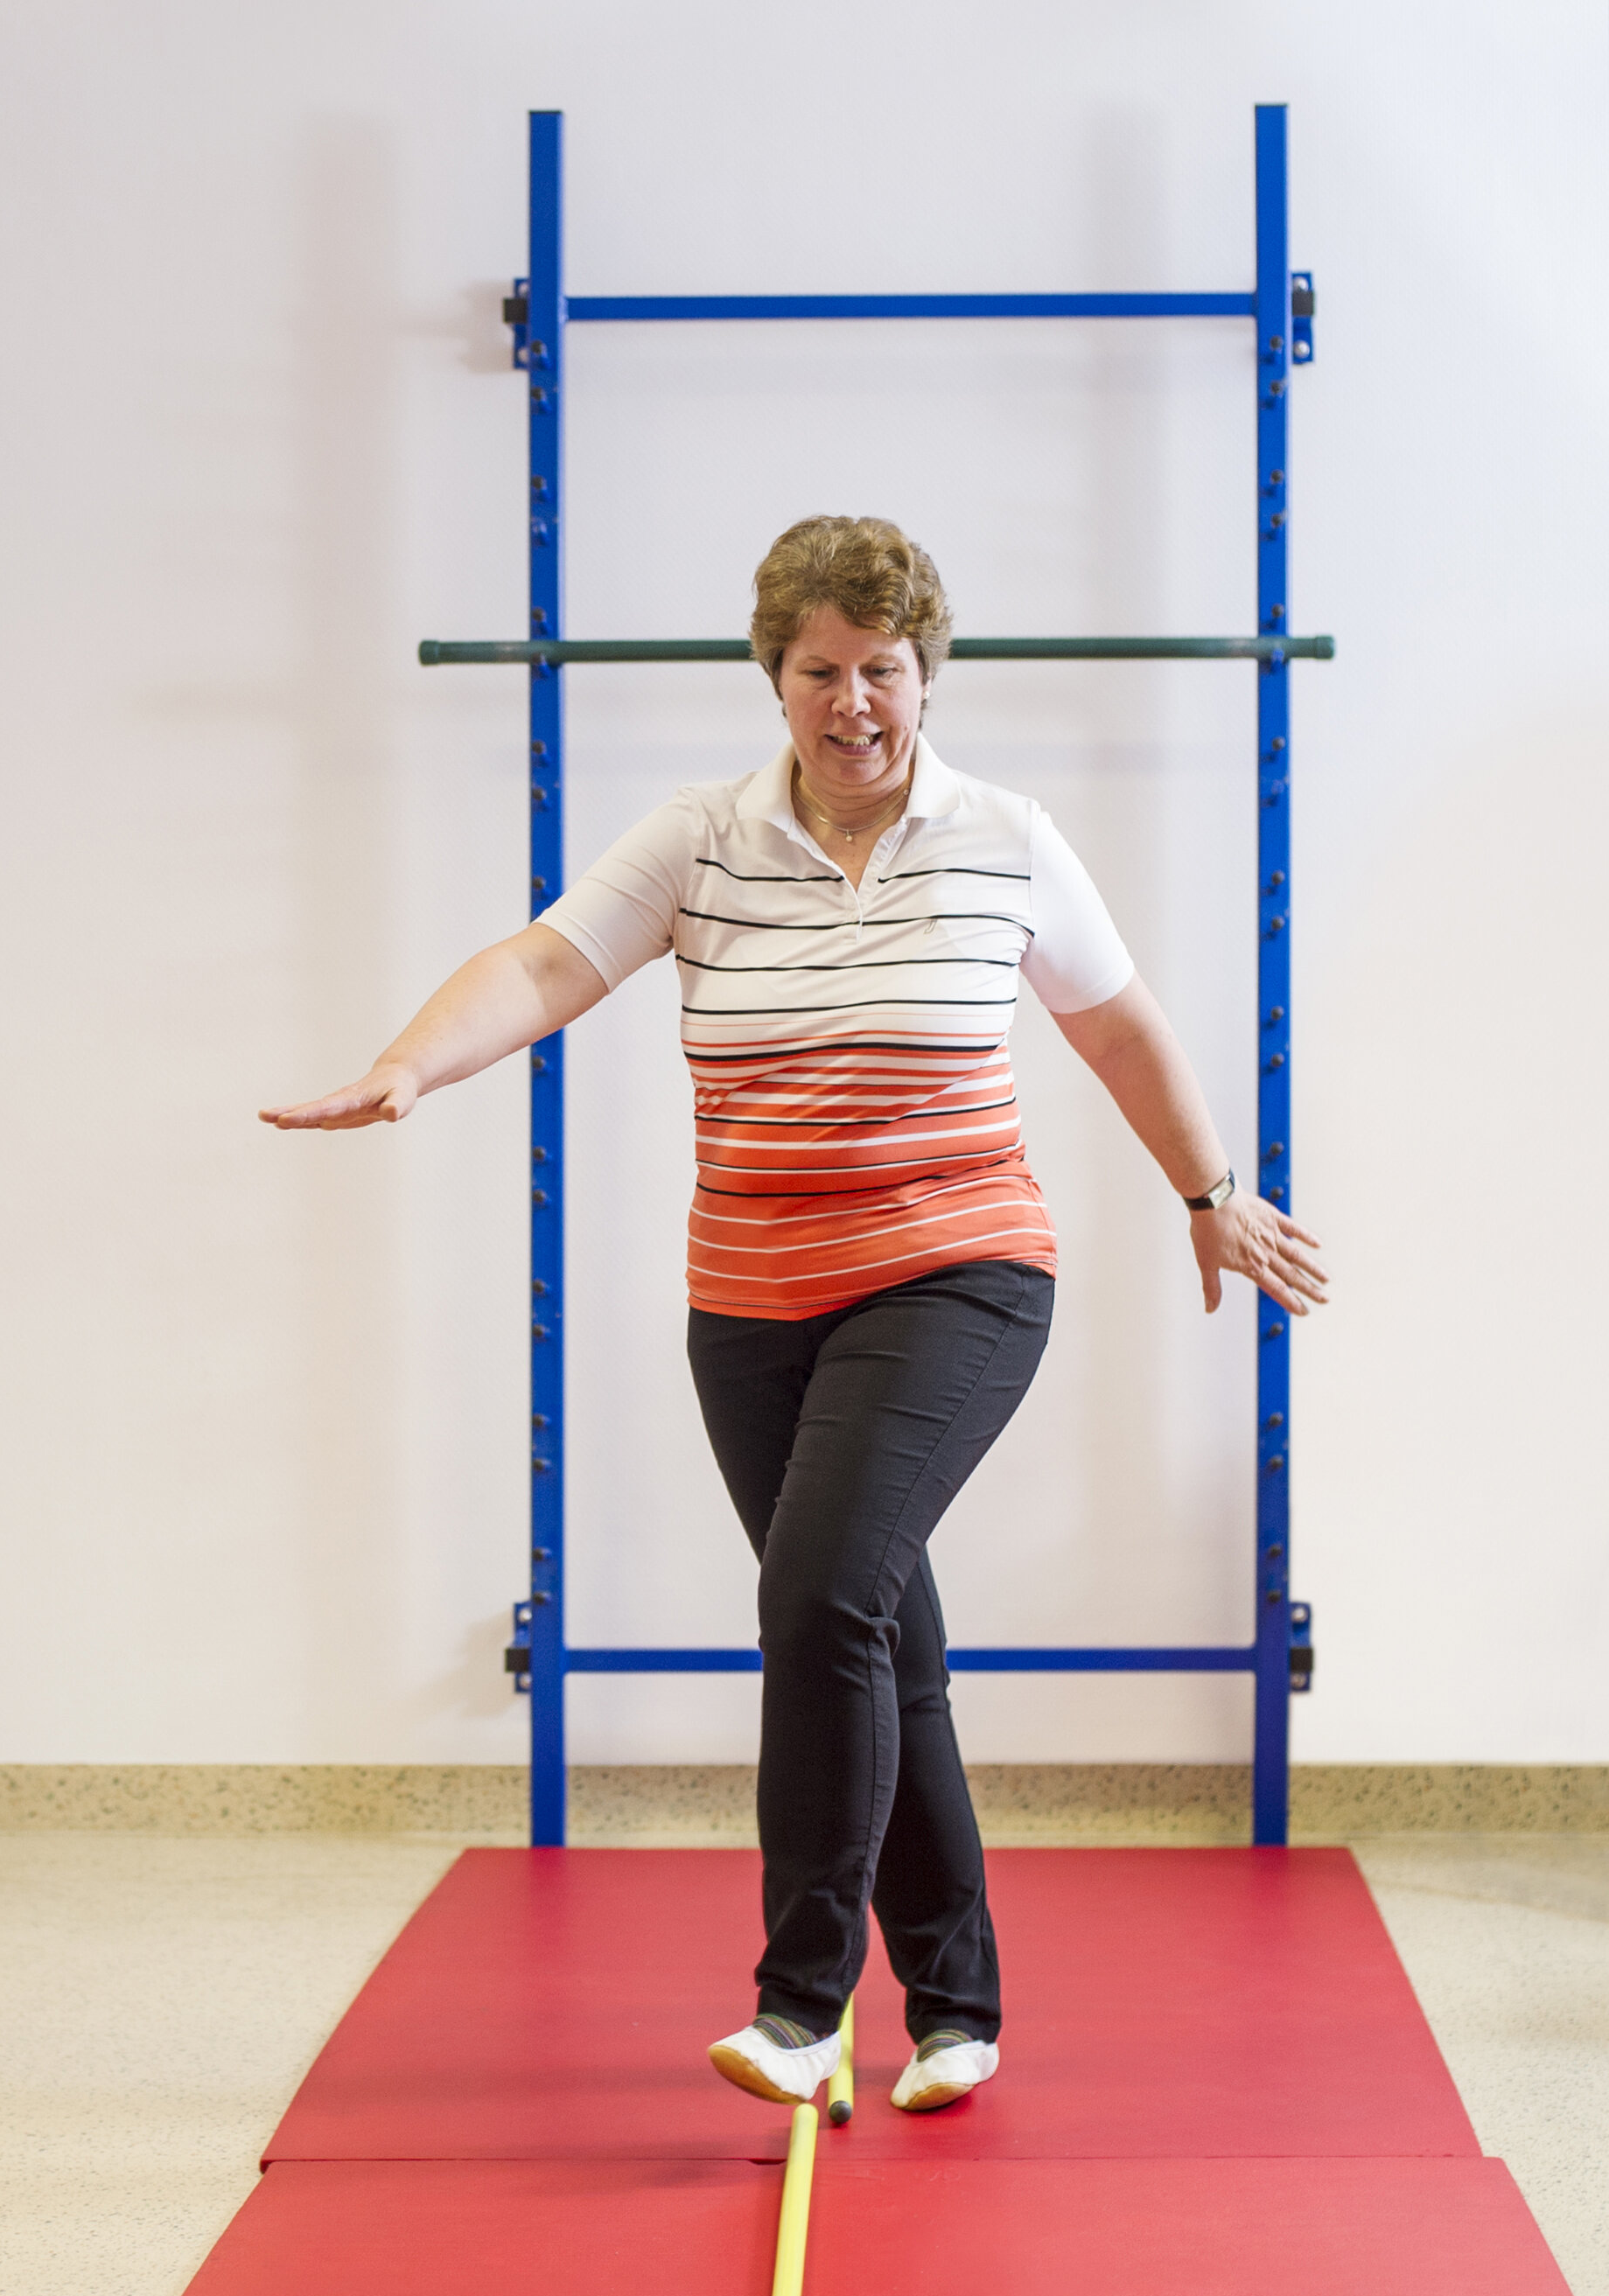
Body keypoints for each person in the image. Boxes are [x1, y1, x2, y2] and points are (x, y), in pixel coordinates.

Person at [262, 515, 1327, 2116]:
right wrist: (416, 1062)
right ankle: (958, 2005)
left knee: (820, 1593)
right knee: (881, 1631)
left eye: (881, 670)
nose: (853, 703)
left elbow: (1120, 1033)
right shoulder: (700, 840)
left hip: (961, 1269)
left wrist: (1209, 1194)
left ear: (925, 675)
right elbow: (548, 968)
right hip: (755, 1305)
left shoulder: (1007, 838)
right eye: (819, 671)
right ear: (775, 680)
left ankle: (801, 2003)